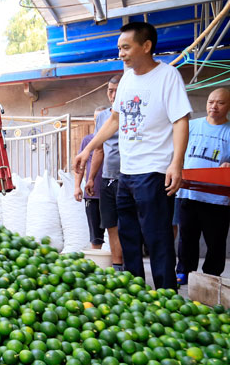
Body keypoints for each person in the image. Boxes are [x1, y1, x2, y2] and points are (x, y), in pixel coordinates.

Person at [74, 21, 191, 289]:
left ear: (146, 46)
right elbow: (115, 119)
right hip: (125, 172)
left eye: (126, 47)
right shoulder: (126, 79)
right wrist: (89, 149)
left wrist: (177, 163)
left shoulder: (167, 76)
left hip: (153, 170)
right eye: (119, 48)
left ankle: (166, 295)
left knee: (157, 237)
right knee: (127, 235)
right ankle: (136, 290)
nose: (121, 53)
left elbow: (180, 121)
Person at [175, 87, 230, 283]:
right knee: (187, 237)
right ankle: (184, 271)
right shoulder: (191, 126)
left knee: (215, 242)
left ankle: (211, 276)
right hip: (188, 193)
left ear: (228, 106)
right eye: (210, 102)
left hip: (217, 198)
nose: (214, 106)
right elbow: (176, 151)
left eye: (220, 102)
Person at [86, 75, 124, 270]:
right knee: (111, 225)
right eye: (110, 90)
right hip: (108, 177)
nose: (113, 94)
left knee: (129, 224)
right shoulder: (102, 117)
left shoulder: (133, 112)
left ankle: (132, 266)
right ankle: (118, 267)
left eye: (118, 90)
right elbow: (99, 149)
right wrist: (91, 178)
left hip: (130, 177)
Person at [74, 107, 106, 249]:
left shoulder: (114, 140)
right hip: (93, 194)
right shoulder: (87, 141)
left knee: (117, 231)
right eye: (95, 119)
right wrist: (77, 186)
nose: (97, 122)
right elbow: (80, 166)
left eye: (100, 119)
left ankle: (119, 266)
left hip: (112, 192)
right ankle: (98, 265)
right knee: (96, 236)